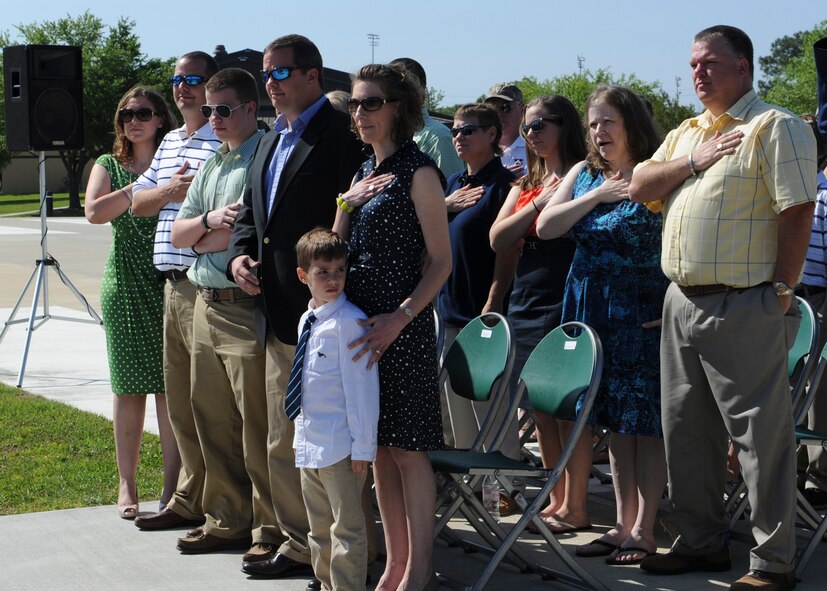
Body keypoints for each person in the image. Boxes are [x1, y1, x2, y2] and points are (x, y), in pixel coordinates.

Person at [630, 25, 816, 591]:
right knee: (686, 432)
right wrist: (694, 162)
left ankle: (772, 562)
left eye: (710, 62)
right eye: (692, 64)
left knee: (760, 441)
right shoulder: (689, 133)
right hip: (682, 302)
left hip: (745, 304)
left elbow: (797, 211)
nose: (698, 73)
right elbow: (639, 183)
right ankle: (702, 542)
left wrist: (782, 292)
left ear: (743, 67)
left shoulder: (773, 126)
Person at [226, 34, 365, 580]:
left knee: (325, 448)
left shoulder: (341, 138)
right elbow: (251, 217)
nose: (271, 84)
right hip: (274, 311)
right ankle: (300, 543)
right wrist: (239, 256)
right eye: (267, 74)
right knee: (284, 441)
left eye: (281, 73)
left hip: (324, 319)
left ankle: (341, 555)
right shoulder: (267, 139)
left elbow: (348, 224)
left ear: (313, 75)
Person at [536, 85, 667, 564]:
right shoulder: (586, 173)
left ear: (631, 123)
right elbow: (547, 227)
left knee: (643, 423)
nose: (598, 131)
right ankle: (620, 524)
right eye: (593, 123)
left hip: (640, 311)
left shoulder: (657, 171)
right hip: (588, 306)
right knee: (611, 422)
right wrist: (599, 197)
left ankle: (645, 530)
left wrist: (674, 300)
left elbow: (680, 239)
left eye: (608, 121)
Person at [333, 62, 451, 591]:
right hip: (363, 331)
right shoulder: (362, 173)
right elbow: (338, 249)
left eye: (371, 103)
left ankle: (419, 570)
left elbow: (440, 262)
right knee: (378, 449)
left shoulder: (420, 171)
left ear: (399, 108)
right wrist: (343, 205)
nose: (360, 113)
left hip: (400, 329)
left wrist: (401, 318)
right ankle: (394, 565)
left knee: (408, 449)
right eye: (356, 104)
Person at [168, 68, 276, 561]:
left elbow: (248, 236)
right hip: (204, 304)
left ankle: (269, 531)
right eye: (209, 111)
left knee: (257, 428)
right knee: (211, 420)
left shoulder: (264, 156)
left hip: (242, 306)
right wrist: (210, 223)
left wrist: (209, 236)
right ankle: (227, 520)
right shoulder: (213, 161)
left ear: (252, 109)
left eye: (224, 110)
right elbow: (178, 235)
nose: (214, 119)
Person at [131, 51, 221, 533]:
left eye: (192, 79)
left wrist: (172, 197)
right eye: (176, 80)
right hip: (169, 284)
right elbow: (137, 204)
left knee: (207, 404)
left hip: (202, 283)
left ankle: (219, 507)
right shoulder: (169, 141)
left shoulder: (222, 138)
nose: (182, 87)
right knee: (180, 403)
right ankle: (189, 498)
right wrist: (169, 192)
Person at [489, 94, 586, 531]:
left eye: (543, 123)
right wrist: (536, 201)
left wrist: (553, 198)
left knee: (569, 409)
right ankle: (556, 497)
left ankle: (575, 505)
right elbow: (498, 239)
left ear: (566, 125)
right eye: (528, 126)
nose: (534, 133)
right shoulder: (524, 182)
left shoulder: (586, 176)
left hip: (566, 294)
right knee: (541, 409)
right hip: (527, 298)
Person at [83, 86, 179, 519]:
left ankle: (174, 485)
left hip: (169, 282)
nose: (133, 120)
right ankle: (127, 482)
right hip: (123, 284)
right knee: (128, 388)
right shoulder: (109, 164)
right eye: (126, 114)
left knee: (170, 389)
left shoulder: (176, 158)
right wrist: (141, 186)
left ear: (161, 118)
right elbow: (94, 212)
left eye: (143, 113)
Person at [291, 228, 380, 591]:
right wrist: (298, 436)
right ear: (303, 276)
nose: (332, 279)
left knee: (347, 528)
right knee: (318, 528)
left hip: (341, 447)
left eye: (339, 270)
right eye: (322, 272)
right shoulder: (307, 320)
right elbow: (303, 386)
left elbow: (362, 390)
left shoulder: (349, 323)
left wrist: (363, 448)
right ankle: (326, 584)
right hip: (310, 443)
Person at [436, 102, 518, 453]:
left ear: (491, 134)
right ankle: (470, 485)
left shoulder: (505, 183)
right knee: (457, 405)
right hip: (449, 309)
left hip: (482, 309)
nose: (458, 137)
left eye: (467, 130)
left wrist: (494, 301)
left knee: (491, 405)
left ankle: (502, 485)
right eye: (455, 130)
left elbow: (510, 249)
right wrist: (445, 205)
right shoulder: (454, 183)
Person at [797, 114, 827, 508]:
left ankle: (819, 474)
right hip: (797, 291)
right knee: (797, 383)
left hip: (820, 294)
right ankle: (800, 468)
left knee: (819, 388)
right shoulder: (808, 185)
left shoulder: (821, 188)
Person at [389, 57, 464, 180]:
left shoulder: (437, 137)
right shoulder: (388, 136)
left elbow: (452, 191)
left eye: (403, 89)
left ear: (420, 92)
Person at [484, 83, 527, 175]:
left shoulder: (534, 147)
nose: (499, 113)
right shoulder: (481, 148)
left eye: (505, 107)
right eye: (493, 109)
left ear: (521, 108)